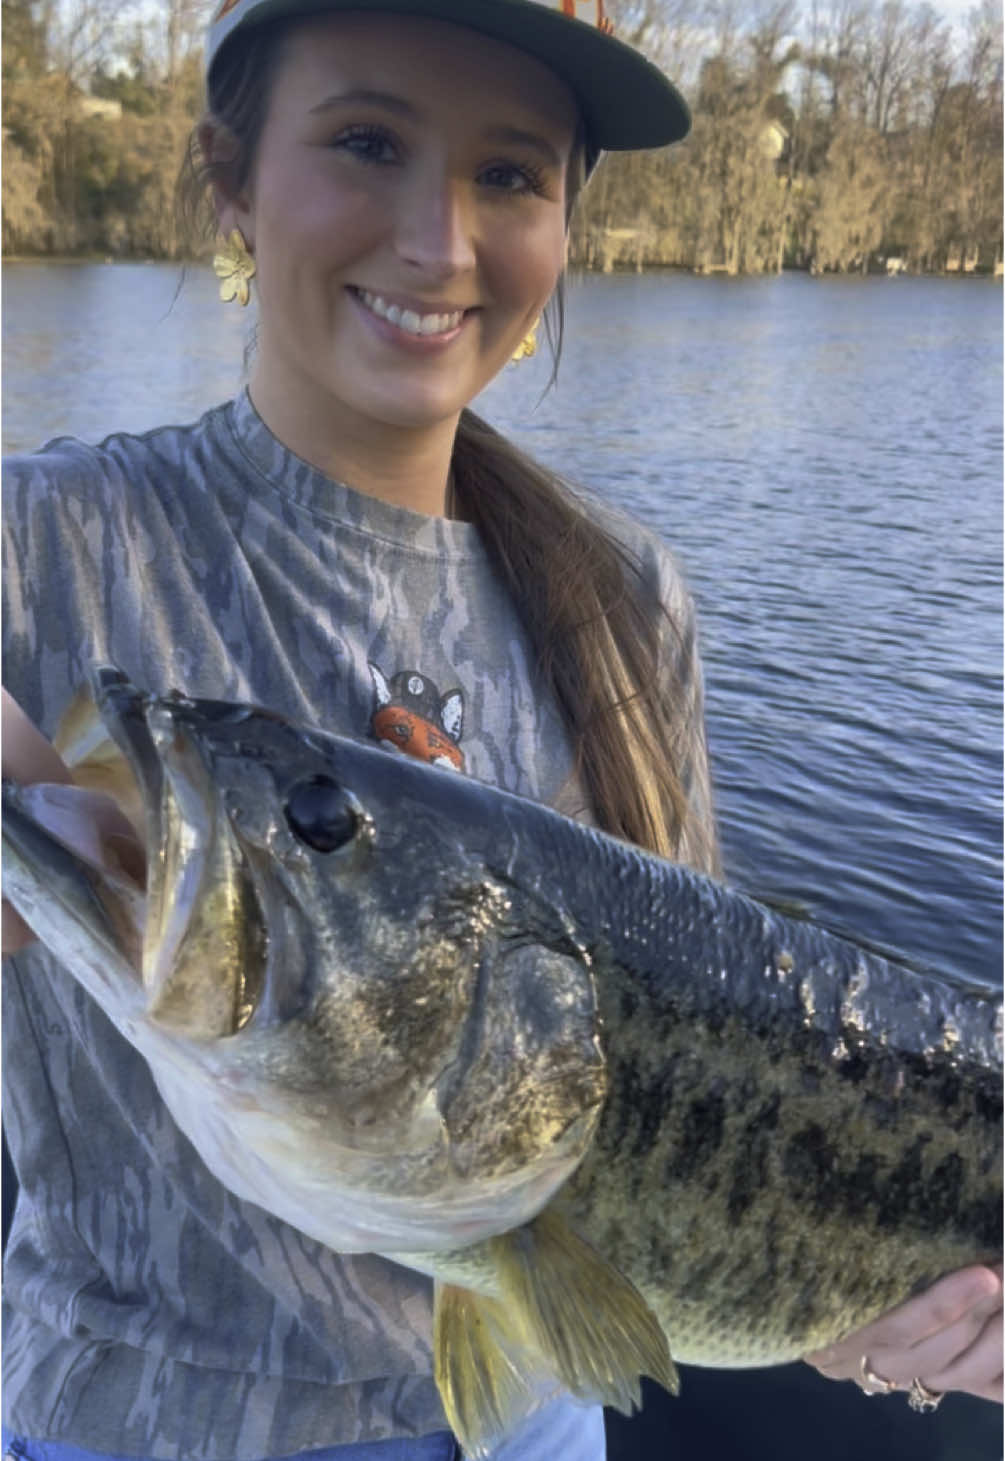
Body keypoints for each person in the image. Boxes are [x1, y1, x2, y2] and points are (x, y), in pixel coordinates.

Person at [1, 1, 1000, 1458]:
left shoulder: (626, 597)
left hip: (531, 1420)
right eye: (366, 141)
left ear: (567, 223)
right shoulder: (39, 542)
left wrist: (871, 1307)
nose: (438, 239)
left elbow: (717, 1069)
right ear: (228, 174)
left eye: (512, 175)